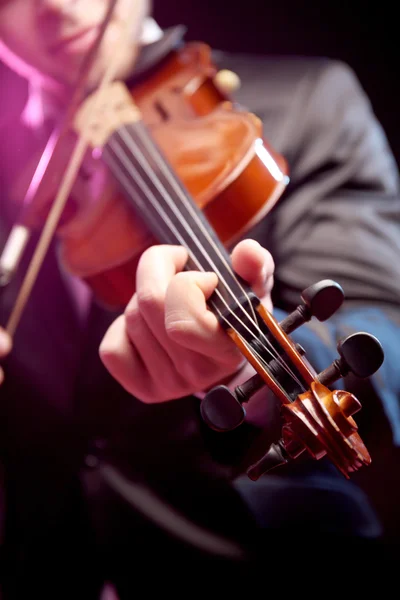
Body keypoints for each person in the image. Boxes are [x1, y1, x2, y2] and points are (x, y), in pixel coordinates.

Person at [0, 0, 400, 596]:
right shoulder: (15, 166)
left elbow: (377, 326)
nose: (55, 6)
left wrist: (251, 375)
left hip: (259, 568)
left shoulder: (308, 98)